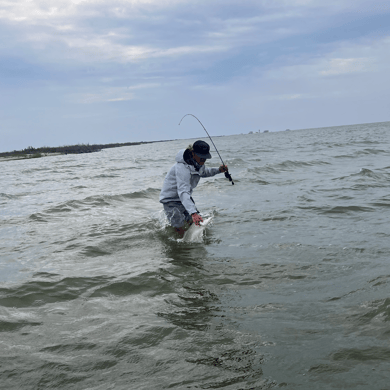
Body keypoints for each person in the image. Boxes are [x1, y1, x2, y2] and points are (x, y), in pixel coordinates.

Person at [159, 140, 229, 237]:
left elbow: (204, 172)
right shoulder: (182, 167)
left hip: (185, 198)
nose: (203, 160)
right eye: (201, 157)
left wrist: (218, 170)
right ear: (192, 153)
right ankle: (182, 245)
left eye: (205, 158)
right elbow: (183, 191)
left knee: (195, 222)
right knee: (179, 227)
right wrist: (193, 213)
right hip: (171, 200)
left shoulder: (198, 163)